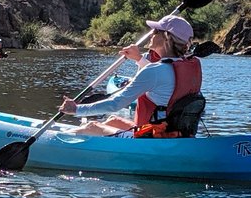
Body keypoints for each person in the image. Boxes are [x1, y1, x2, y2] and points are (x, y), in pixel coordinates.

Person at [59, 14, 203, 138]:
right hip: (173, 134)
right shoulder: (189, 66)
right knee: (113, 121)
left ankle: (53, 141)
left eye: (156, 31)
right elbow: (161, 78)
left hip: (153, 140)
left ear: (166, 37)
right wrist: (139, 59)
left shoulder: (155, 71)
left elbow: (115, 104)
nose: (151, 33)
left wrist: (76, 109)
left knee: (92, 126)